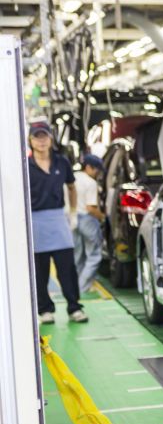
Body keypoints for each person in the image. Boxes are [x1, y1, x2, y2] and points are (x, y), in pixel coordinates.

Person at [28, 122, 87, 324]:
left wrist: (72, 212)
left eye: (44, 136)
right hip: (35, 222)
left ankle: (74, 307)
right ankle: (45, 310)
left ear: (51, 139)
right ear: (30, 140)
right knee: (39, 270)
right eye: (37, 137)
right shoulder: (25, 165)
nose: (41, 141)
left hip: (57, 220)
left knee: (67, 268)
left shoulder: (62, 162)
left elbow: (71, 187)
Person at [72, 154, 105, 294]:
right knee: (94, 255)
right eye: (96, 169)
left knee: (77, 255)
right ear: (88, 167)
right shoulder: (90, 183)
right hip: (87, 220)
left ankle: (74, 287)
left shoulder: (71, 178)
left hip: (72, 219)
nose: (97, 173)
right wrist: (102, 217)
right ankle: (82, 287)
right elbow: (91, 208)